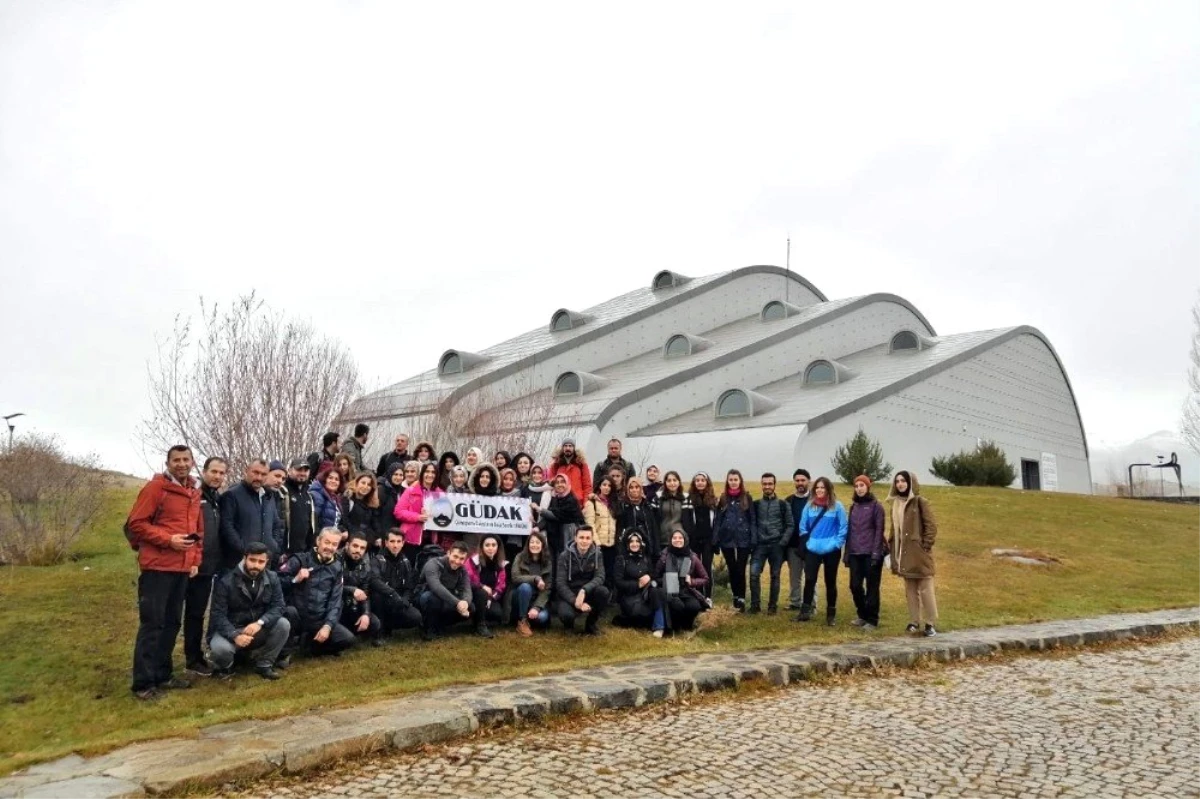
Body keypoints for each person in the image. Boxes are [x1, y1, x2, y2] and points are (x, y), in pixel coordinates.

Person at [126, 445, 203, 700]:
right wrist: (168, 540)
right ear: (168, 463)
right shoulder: (155, 488)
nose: (181, 464)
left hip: (181, 569)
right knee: (153, 624)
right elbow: (135, 524)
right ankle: (143, 683)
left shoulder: (193, 491)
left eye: (186, 459)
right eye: (176, 460)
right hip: (157, 567)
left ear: (192, 462)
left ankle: (163, 674)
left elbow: (197, 532)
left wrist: (194, 559)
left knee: (172, 623)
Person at [207, 542, 290, 680]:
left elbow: (279, 606)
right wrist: (234, 635)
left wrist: (260, 623)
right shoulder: (225, 582)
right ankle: (227, 666)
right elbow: (218, 615)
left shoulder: (273, 578)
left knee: (283, 624)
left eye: (261, 561)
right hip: (231, 629)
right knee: (220, 650)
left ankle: (265, 664)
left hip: (257, 628)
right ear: (244, 558)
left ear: (266, 562)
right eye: (252, 560)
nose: (256, 565)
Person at [278, 527, 356, 657]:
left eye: (334, 544)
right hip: (297, 614)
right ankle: (285, 654)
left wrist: (328, 626)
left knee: (348, 639)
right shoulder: (299, 559)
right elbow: (276, 581)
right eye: (327, 542)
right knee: (290, 612)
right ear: (318, 541)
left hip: (319, 618)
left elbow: (335, 602)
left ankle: (310, 647)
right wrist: (295, 579)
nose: (330, 547)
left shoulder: (337, 568)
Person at [184, 456, 227, 676]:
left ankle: (193, 659)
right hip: (186, 565)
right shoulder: (193, 495)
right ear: (204, 471)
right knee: (170, 617)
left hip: (207, 567)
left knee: (196, 614)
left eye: (221, 473)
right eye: (214, 471)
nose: (217, 476)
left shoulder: (217, 500)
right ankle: (158, 664)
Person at [886, 470, 939, 637]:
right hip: (903, 552)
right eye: (898, 481)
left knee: (925, 588)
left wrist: (925, 546)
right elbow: (895, 529)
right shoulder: (895, 504)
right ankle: (914, 621)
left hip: (919, 553)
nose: (900, 484)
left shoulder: (920, 502)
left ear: (910, 483)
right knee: (910, 589)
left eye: (903, 481)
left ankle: (930, 623)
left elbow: (931, 526)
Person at [796, 477, 848, 625]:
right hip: (812, 549)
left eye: (822, 487)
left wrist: (837, 544)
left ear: (828, 490)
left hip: (831, 550)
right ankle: (805, 612)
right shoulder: (809, 506)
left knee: (830, 581)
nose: (819, 490)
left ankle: (831, 615)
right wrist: (809, 543)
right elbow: (802, 527)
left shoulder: (837, 507)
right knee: (810, 580)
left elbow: (843, 528)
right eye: (817, 487)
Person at [219, 459, 285, 570]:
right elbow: (226, 526)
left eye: (263, 474)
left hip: (264, 561)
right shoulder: (232, 494)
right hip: (239, 562)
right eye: (255, 472)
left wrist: (274, 546)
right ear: (246, 471)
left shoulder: (268, 496)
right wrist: (243, 549)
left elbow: (276, 524)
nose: (259, 477)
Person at [845, 475, 887, 629]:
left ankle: (872, 619)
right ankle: (862, 614)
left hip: (871, 553)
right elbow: (850, 532)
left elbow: (879, 531)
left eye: (862, 485)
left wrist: (876, 554)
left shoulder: (877, 506)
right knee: (854, 586)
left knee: (872, 588)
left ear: (868, 487)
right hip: (855, 552)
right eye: (856, 486)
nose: (859, 488)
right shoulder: (853, 507)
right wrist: (847, 553)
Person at [749, 472, 794, 615]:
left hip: (777, 545)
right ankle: (755, 606)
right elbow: (752, 523)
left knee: (775, 576)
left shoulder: (783, 504)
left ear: (774, 485)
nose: (767, 486)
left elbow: (790, 525)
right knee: (754, 574)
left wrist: (782, 542)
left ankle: (772, 607)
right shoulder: (755, 505)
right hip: (760, 545)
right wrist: (754, 540)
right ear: (761, 485)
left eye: (770, 483)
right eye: (765, 483)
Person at [555, 525, 610, 635]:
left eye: (587, 538)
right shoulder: (564, 556)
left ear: (592, 539)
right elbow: (560, 583)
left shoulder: (598, 554)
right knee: (566, 615)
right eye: (581, 537)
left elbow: (600, 577)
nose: (584, 541)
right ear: (575, 538)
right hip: (569, 594)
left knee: (603, 592)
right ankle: (568, 626)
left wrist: (584, 590)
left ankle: (591, 624)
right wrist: (575, 600)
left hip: (587, 592)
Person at [715, 469, 756, 612]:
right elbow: (718, 519)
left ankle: (742, 598)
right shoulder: (723, 498)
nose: (733, 482)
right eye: (730, 479)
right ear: (727, 481)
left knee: (740, 569)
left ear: (740, 481)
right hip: (727, 539)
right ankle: (735, 597)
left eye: (735, 479)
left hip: (743, 539)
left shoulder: (747, 498)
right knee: (732, 569)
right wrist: (716, 538)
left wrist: (753, 539)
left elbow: (752, 519)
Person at [656, 529, 710, 633]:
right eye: (674, 538)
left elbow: (705, 578)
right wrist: (666, 580)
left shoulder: (692, 557)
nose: (677, 540)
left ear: (685, 540)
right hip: (670, 591)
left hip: (686, 590)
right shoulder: (664, 556)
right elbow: (655, 576)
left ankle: (686, 626)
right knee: (677, 605)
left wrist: (692, 581)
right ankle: (674, 627)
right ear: (670, 540)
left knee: (694, 606)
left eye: (680, 538)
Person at [418, 541, 474, 640]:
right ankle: (428, 628)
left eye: (461, 559)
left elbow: (467, 588)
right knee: (431, 598)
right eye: (455, 556)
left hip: (447, 599)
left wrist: (465, 602)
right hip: (425, 596)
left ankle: (440, 625)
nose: (457, 561)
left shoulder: (463, 570)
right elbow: (436, 587)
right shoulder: (433, 563)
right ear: (448, 553)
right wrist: (457, 603)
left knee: (471, 607)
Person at [371, 530, 424, 634]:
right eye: (392, 541)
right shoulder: (377, 560)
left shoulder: (406, 561)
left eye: (398, 541)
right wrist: (393, 594)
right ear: (386, 543)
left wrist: (405, 599)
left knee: (416, 617)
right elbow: (374, 581)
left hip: (398, 601)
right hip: (383, 599)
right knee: (377, 596)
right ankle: (379, 632)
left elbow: (409, 585)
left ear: (403, 543)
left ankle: (388, 625)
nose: (395, 545)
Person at [613, 532, 665, 637]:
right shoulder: (621, 559)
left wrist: (649, 577)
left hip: (646, 593)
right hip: (629, 596)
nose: (635, 544)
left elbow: (653, 573)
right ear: (627, 544)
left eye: (637, 541)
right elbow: (618, 582)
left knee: (657, 591)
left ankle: (659, 627)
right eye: (631, 541)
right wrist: (637, 584)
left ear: (641, 543)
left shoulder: (646, 558)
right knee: (638, 615)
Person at [339, 533, 384, 645]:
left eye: (362, 548)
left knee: (375, 623)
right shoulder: (335, 559)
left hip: (353, 606)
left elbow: (365, 593)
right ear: (347, 545)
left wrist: (365, 614)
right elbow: (329, 587)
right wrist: (352, 590)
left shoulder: (365, 566)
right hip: (334, 606)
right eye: (355, 546)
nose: (358, 550)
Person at [396, 462, 444, 559]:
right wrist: (417, 517)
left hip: (430, 540)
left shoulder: (440, 494)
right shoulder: (411, 490)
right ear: (422, 473)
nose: (430, 475)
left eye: (433, 472)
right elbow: (398, 512)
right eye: (427, 471)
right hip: (411, 539)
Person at [509, 531, 553, 636]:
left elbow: (547, 588)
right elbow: (515, 578)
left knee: (542, 618)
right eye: (532, 542)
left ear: (542, 545)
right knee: (525, 587)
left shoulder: (547, 562)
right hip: (520, 596)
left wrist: (537, 607)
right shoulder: (519, 557)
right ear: (528, 544)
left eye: (537, 542)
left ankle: (530, 616)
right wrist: (535, 578)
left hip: (536, 599)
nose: (534, 545)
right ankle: (522, 620)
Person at [681, 473, 717, 598]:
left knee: (707, 568)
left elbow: (715, 521)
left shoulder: (713, 499)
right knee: (694, 568)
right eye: (697, 480)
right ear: (694, 482)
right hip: (693, 540)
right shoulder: (689, 499)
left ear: (707, 482)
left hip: (708, 540)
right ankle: (697, 595)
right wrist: (689, 537)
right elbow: (686, 520)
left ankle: (708, 597)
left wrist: (715, 540)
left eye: (702, 480)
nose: (700, 482)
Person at [465, 534, 507, 638]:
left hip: (489, 597)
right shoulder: (473, 561)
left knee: (497, 614)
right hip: (473, 594)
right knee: (481, 593)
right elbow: (467, 580)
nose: (491, 548)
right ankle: (480, 626)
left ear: (498, 547)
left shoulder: (501, 564)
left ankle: (478, 618)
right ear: (482, 547)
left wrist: (491, 597)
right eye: (487, 545)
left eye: (494, 545)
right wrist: (482, 586)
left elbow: (501, 586)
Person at [538, 473, 585, 556]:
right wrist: (537, 527)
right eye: (557, 482)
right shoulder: (555, 498)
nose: (560, 485)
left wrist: (539, 509)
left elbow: (556, 515)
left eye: (563, 482)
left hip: (569, 535)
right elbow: (550, 517)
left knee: (567, 559)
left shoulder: (571, 499)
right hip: (556, 535)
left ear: (567, 483)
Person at [785, 469, 812, 612]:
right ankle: (795, 602)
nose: (800, 483)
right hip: (793, 545)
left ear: (809, 481)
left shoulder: (815, 499)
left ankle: (811, 604)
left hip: (810, 545)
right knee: (794, 577)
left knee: (810, 576)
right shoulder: (789, 500)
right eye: (797, 480)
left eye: (803, 480)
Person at [583, 477, 618, 588]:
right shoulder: (592, 503)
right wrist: (596, 543)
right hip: (598, 545)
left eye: (609, 486)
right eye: (604, 485)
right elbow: (590, 524)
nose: (607, 488)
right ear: (599, 486)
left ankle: (608, 599)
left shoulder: (613, 504)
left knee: (610, 573)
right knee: (597, 574)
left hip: (611, 545)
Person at [282, 459, 316, 555]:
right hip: (285, 552)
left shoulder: (309, 495)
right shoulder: (282, 491)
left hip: (304, 552)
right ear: (289, 471)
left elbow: (311, 526)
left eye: (305, 470)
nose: (302, 473)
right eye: (298, 470)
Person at [616, 477, 659, 551]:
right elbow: (620, 529)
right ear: (628, 489)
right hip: (631, 547)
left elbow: (653, 528)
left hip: (647, 546)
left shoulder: (647, 505)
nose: (634, 490)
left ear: (641, 488)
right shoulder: (624, 506)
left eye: (637, 487)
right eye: (631, 487)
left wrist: (656, 549)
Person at [546, 438, 592, 505]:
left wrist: (586, 503)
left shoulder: (581, 464)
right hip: (560, 502)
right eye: (565, 446)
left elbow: (587, 486)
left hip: (578, 502)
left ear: (574, 448)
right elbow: (550, 485)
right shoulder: (556, 465)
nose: (568, 448)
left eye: (570, 446)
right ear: (562, 448)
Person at [343, 473, 382, 550]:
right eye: (363, 483)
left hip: (366, 544)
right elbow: (344, 520)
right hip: (349, 543)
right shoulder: (348, 498)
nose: (365, 487)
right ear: (356, 483)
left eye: (369, 485)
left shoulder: (371, 504)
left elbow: (374, 523)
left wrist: (377, 537)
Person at [651, 471, 686, 551]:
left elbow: (689, 522)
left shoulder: (685, 499)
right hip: (662, 540)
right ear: (665, 483)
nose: (672, 483)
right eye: (669, 481)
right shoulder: (657, 498)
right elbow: (654, 521)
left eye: (674, 480)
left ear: (679, 482)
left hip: (680, 540)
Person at [310, 469, 343, 533]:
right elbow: (313, 521)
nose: (333, 481)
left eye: (337, 479)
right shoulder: (317, 495)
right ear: (324, 479)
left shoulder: (335, 498)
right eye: (330, 478)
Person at [265, 460, 288, 525]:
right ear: (266, 474)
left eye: (283, 479)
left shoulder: (281, 497)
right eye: (277, 476)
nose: (280, 481)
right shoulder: (253, 494)